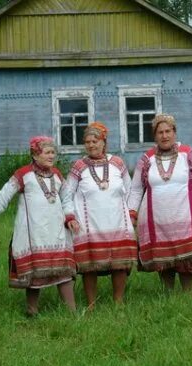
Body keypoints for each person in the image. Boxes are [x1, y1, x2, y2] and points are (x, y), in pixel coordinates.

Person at [0, 136, 78, 316]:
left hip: (57, 232)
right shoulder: (24, 175)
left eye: (53, 152)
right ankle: (32, 311)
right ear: (35, 154)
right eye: (47, 152)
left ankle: (72, 312)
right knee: (35, 273)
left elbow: (67, 198)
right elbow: (3, 196)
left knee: (64, 270)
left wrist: (70, 216)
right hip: (34, 233)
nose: (51, 156)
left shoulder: (57, 175)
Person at [127, 114, 192, 291]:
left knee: (188, 258)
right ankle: (168, 293)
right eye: (160, 132)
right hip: (157, 219)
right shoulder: (146, 159)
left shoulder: (189, 154)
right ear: (154, 136)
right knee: (163, 258)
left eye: (168, 131)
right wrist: (131, 213)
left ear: (175, 132)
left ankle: (187, 294)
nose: (164, 136)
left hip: (187, 215)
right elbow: (136, 189)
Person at [63, 122, 137, 309]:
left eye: (95, 141)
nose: (91, 145)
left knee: (119, 264)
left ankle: (118, 301)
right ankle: (91, 304)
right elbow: (67, 194)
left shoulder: (118, 163)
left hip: (117, 222)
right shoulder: (79, 166)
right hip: (89, 226)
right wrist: (70, 217)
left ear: (104, 142)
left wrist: (130, 213)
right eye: (87, 142)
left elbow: (129, 190)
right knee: (90, 266)